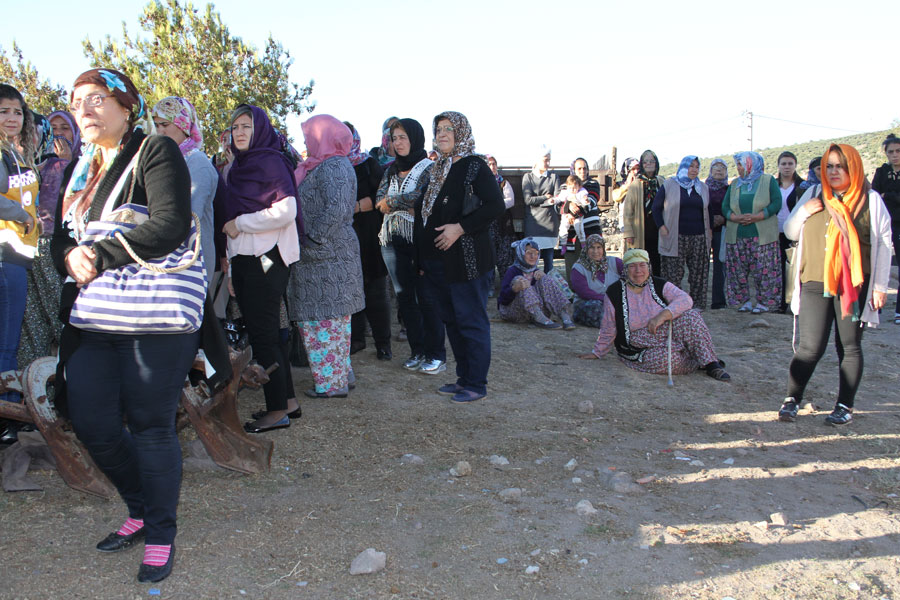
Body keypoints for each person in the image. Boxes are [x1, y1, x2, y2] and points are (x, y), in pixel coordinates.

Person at [50, 68, 199, 582]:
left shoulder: (157, 152)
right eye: (76, 103)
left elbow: (170, 223)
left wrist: (101, 252)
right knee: (91, 422)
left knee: (153, 426)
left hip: (154, 319)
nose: (83, 110)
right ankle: (138, 506)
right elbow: (58, 240)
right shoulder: (80, 169)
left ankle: (159, 531)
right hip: (95, 316)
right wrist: (70, 257)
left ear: (126, 106)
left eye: (96, 99)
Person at [777, 144, 893, 425]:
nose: (834, 171)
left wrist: (879, 286)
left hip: (852, 284)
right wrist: (804, 211)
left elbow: (883, 244)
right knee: (810, 347)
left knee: (849, 346)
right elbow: (790, 231)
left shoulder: (871, 200)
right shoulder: (815, 194)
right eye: (829, 166)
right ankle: (792, 399)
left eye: (840, 166)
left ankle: (844, 406)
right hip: (814, 280)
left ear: (853, 167)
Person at [416, 111, 504, 403]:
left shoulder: (474, 166)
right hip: (439, 263)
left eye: (449, 129)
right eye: (438, 129)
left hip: (468, 259)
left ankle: (476, 383)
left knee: (471, 320)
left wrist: (460, 228)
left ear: (461, 133)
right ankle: (463, 378)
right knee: (452, 321)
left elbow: (494, 206)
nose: (442, 134)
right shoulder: (436, 169)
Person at [223, 104, 301, 432]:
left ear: (260, 130)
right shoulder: (238, 167)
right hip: (245, 260)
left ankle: (276, 410)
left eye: (246, 126)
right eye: (235, 127)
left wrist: (241, 223)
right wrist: (230, 271)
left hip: (266, 259)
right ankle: (289, 402)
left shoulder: (270, 161)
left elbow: (286, 210)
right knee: (266, 333)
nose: (239, 132)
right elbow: (227, 225)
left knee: (265, 335)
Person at [287, 115, 364, 397]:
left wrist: (312, 238)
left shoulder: (335, 166)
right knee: (326, 322)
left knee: (327, 322)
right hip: (320, 259)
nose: (306, 141)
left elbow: (336, 209)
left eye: (310, 135)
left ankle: (332, 385)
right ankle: (340, 376)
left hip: (327, 258)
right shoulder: (321, 165)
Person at [579, 249, 730, 381]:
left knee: (691, 316)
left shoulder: (659, 284)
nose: (638, 270)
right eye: (632, 266)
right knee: (666, 361)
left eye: (642, 265)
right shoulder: (614, 292)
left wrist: (661, 316)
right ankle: (697, 359)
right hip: (639, 344)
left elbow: (685, 299)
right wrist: (597, 352)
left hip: (665, 332)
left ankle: (711, 364)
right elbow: (608, 326)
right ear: (625, 269)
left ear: (649, 267)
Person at [375, 118, 446, 374]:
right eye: (394, 138)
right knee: (405, 299)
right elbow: (378, 202)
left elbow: (424, 198)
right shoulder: (390, 169)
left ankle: (436, 353)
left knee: (427, 298)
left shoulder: (430, 167)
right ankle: (417, 351)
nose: (398, 142)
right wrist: (401, 202)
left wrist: (393, 201)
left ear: (415, 138)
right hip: (391, 241)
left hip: (420, 241)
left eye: (403, 137)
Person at [0, 84, 38, 444]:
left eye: (17, 112)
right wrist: (22, 216)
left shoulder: (15, 152)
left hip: (17, 258)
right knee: (5, 345)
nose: (12, 118)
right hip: (4, 256)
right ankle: (7, 417)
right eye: (4, 111)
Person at [152, 96, 217, 282]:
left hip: (191, 258)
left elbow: (188, 215)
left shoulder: (196, 162)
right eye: (156, 125)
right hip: (168, 258)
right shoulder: (166, 160)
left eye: (165, 124)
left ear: (183, 123)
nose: (160, 131)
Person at [345, 123, 392, 359]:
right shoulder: (330, 165)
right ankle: (356, 339)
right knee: (351, 292)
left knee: (375, 292)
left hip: (369, 236)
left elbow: (384, 195)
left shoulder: (368, 164)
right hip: (345, 239)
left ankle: (383, 343)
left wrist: (360, 206)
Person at [722, 151, 782, 313]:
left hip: (762, 235)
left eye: (741, 164)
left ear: (751, 164)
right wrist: (735, 217)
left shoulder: (768, 181)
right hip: (737, 234)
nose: (739, 168)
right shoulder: (735, 184)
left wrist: (758, 216)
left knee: (764, 270)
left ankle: (764, 302)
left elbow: (777, 202)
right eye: (738, 165)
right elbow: (725, 206)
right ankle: (743, 301)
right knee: (737, 270)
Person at [652, 155, 712, 309]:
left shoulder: (702, 188)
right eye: (691, 166)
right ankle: (674, 304)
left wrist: (709, 231)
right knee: (673, 274)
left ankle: (697, 304)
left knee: (698, 274)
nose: (694, 170)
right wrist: (661, 226)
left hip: (698, 237)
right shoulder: (670, 184)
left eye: (697, 167)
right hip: (674, 236)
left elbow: (708, 211)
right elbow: (656, 208)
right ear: (684, 167)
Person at [497, 237, 575, 330]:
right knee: (521, 280)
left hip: (537, 312)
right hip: (516, 312)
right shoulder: (512, 271)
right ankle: (539, 318)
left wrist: (544, 277)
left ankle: (564, 315)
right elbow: (503, 299)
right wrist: (514, 289)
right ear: (521, 253)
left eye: (536, 253)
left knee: (546, 278)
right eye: (529, 253)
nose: (533, 256)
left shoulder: (536, 271)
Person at [871, 133, 900, 324]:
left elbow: (884, 195)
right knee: (875, 261)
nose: (895, 155)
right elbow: (875, 195)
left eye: (898, 151)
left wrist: (888, 194)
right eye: (891, 152)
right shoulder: (881, 172)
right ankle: (874, 305)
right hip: (883, 223)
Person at [623, 149, 665, 273]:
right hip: (641, 231)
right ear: (642, 164)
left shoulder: (661, 182)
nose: (649, 164)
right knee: (641, 263)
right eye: (646, 162)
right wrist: (629, 233)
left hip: (658, 231)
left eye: (652, 161)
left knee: (658, 264)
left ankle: (656, 289)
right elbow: (628, 210)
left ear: (656, 163)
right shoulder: (636, 184)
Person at [569, 233, 624, 327]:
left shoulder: (615, 262)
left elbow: (629, 278)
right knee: (595, 308)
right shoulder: (578, 268)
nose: (595, 251)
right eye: (592, 247)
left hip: (615, 302)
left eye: (599, 247)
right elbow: (584, 293)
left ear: (603, 248)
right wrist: (608, 299)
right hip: (589, 303)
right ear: (586, 249)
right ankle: (616, 324)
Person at [773, 151, 805, 312]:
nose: (786, 167)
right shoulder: (773, 185)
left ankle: (793, 303)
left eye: (790, 163)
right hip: (774, 231)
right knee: (776, 268)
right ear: (778, 166)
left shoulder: (802, 186)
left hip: (794, 233)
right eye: (783, 163)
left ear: (795, 166)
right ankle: (779, 303)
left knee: (793, 269)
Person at [522, 146, 561, 273]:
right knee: (532, 261)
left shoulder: (554, 177)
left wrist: (543, 201)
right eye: (545, 160)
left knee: (549, 262)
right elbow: (528, 200)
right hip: (534, 224)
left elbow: (556, 198)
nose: (548, 163)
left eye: (549, 160)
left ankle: (548, 289)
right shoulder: (528, 177)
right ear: (537, 160)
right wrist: (545, 198)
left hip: (550, 224)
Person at [562, 158, 603, 279]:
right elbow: (557, 206)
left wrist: (571, 213)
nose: (582, 171)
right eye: (579, 168)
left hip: (590, 232)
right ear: (573, 170)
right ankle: (573, 296)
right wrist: (568, 206)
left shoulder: (592, 184)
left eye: (585, 168)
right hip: (571, 235)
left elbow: (590, 202)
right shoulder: (565, 186)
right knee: (572, 269)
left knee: (593, 267)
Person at [485, 154, 515, 288]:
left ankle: (505, 286)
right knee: (488, 258)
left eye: (494, 164)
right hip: (487, 225)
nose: (492, 167)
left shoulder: (504, 183)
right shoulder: (481, 183)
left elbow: (510, 201)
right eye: (489, 164)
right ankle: (490, 285)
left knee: (504, 258)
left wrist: (494, 205)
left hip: (503, 225)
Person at [705, 159, 729, 309]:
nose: (719, 170)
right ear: (710, 171)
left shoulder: (729, 189)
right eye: (716, 167)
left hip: (722, 230)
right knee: (702, 266)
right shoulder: (703, 188)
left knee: (720, 266)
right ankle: (699, 299)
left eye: (722, 168)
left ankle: (718, 301)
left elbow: (733, 206)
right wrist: (711, 219)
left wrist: (723, 218)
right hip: (705, 230)